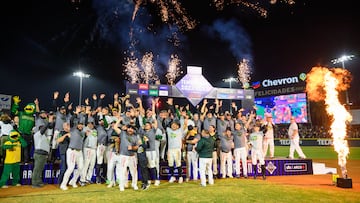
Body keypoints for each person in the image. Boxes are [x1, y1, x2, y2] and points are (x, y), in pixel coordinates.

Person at [32, 114, 54, 188]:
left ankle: (38, 181)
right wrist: (48, 121)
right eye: (42, 128)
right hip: (39, 154)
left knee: (40, 169)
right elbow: (44, 128)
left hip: (43, 154)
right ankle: (34, 183)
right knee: (37, 169)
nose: (44, 130)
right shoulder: (37, 134)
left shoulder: (44, 136)